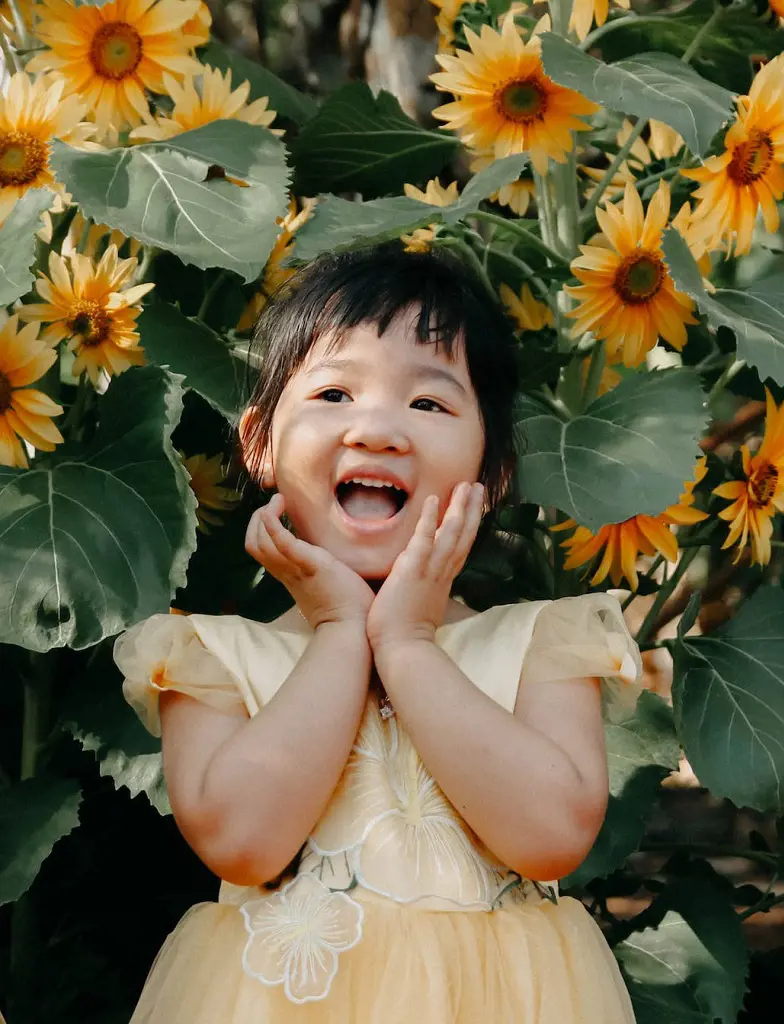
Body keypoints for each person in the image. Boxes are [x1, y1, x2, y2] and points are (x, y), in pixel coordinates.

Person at [114, 242, 642, 1022]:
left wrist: (407, 645)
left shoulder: (541, 645)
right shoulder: (212, 655)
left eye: (427, 405)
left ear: (491, 472)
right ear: (259, 442)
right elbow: (242, 843)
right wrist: (336, 632)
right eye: (333, 393)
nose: (377, 429)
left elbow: (550, 837)